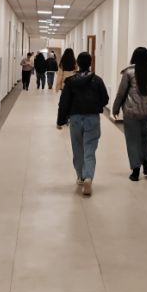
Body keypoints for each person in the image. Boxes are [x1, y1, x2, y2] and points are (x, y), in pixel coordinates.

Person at [56, 52, 108, 196]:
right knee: (89, 149)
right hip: (92, 118)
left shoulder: (70, 81)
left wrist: (60, 121)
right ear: (90, 63)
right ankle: (88, 177)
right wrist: (95, 104)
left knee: (78, 148)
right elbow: (105, 99)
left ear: (77, 64)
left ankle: (80, 176)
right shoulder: (97, 80)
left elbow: (64, 102)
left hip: (75, 118)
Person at [113, 47, 147, 181]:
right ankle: (146, 164)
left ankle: (136, 170)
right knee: (146, 138)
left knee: (133, 140)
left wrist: (115, 108)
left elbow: (121, 93)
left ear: (134, 57)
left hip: (131, 113)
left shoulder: (129, 72)